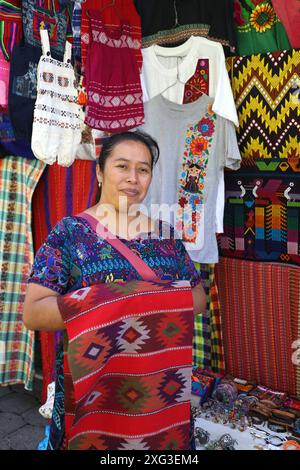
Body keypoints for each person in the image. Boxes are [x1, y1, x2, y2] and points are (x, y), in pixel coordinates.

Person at [23, 130, 206, 450]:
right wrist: (112, 300)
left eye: (144, 169)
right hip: (93, 392)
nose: (132, 178)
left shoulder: (164, 235)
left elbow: (198, 298)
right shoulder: (70, 233)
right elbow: (34, 312)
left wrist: (133, 298)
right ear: (99, 171)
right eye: (122, 166)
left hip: (159, 398)